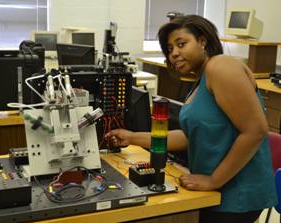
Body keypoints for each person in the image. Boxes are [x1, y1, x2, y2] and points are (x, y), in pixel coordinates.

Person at [106, 15, 277, 223]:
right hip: (215, 191)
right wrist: (133, 137)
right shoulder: (201, 80)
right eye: (169, 49)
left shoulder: (221, 67)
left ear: (203, 41)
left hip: (236, 193)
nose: (174, 54)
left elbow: (255, 130)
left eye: (181, 44)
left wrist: (213, 180)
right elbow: (190, 136)